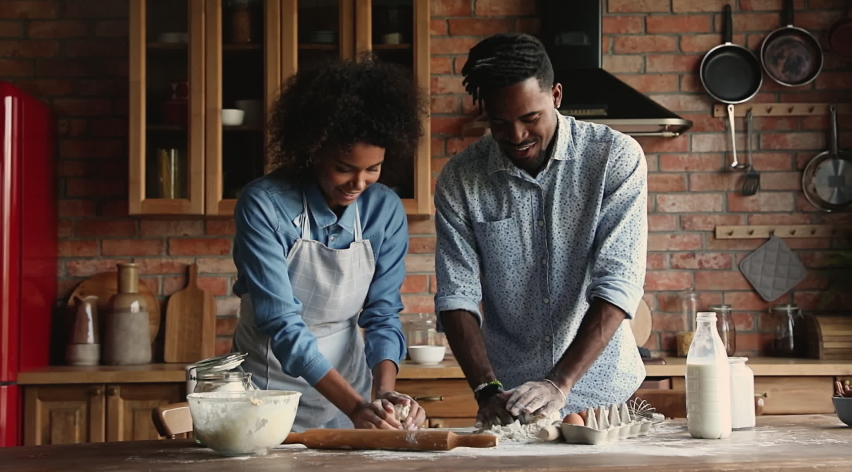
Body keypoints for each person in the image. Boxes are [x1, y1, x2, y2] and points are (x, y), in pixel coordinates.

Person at [434, 33, 648, 428]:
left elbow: (618, 281)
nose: (516, 136)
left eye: (530, 118)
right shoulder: (461, 178)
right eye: (499, 122)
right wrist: (485, 390)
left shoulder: (614, 158)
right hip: (513, 402)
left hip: (604, 395)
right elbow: (456, 296)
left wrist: (559, 384)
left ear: (557, 96)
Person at [231, 56, 427, 432]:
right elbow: (281, 322)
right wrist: (356, 407)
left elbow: (382, 315)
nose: (358, 183)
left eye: (373, 169)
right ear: (313, 149)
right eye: (344, 167)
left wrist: (382, 395)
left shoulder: (384, 210)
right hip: (266, 391)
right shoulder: (265, 204)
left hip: (348, 389)